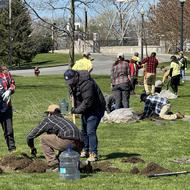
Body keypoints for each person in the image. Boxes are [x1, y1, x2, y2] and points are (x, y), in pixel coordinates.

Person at [64, 69, 106, 162]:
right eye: (68, 82)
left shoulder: (87, 83)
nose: (70, 84)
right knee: (84, 131)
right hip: (85, 110)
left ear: (76, 77)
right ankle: (86, 150)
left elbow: (88, 102)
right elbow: (73, 93)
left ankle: (93, 153)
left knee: (90, 131)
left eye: (71, 82)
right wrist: (72, 96)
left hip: (95, 108)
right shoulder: (72, 83)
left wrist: (76, 110)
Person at [26, 104, 84, 171]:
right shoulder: (65, 120)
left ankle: (53, 165)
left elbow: (30, 136)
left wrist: (32, 147)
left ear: (50, 113)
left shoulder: (49, 120)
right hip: (80, 143)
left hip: (67, 142)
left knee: (43, 138)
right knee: (66, 163)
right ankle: (82, 165)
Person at [0, 65, 16, 152]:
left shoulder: (6, 74)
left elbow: (13, 84)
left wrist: (10, 90)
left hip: (6, 107)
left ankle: (12, 150)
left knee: (9, 130)